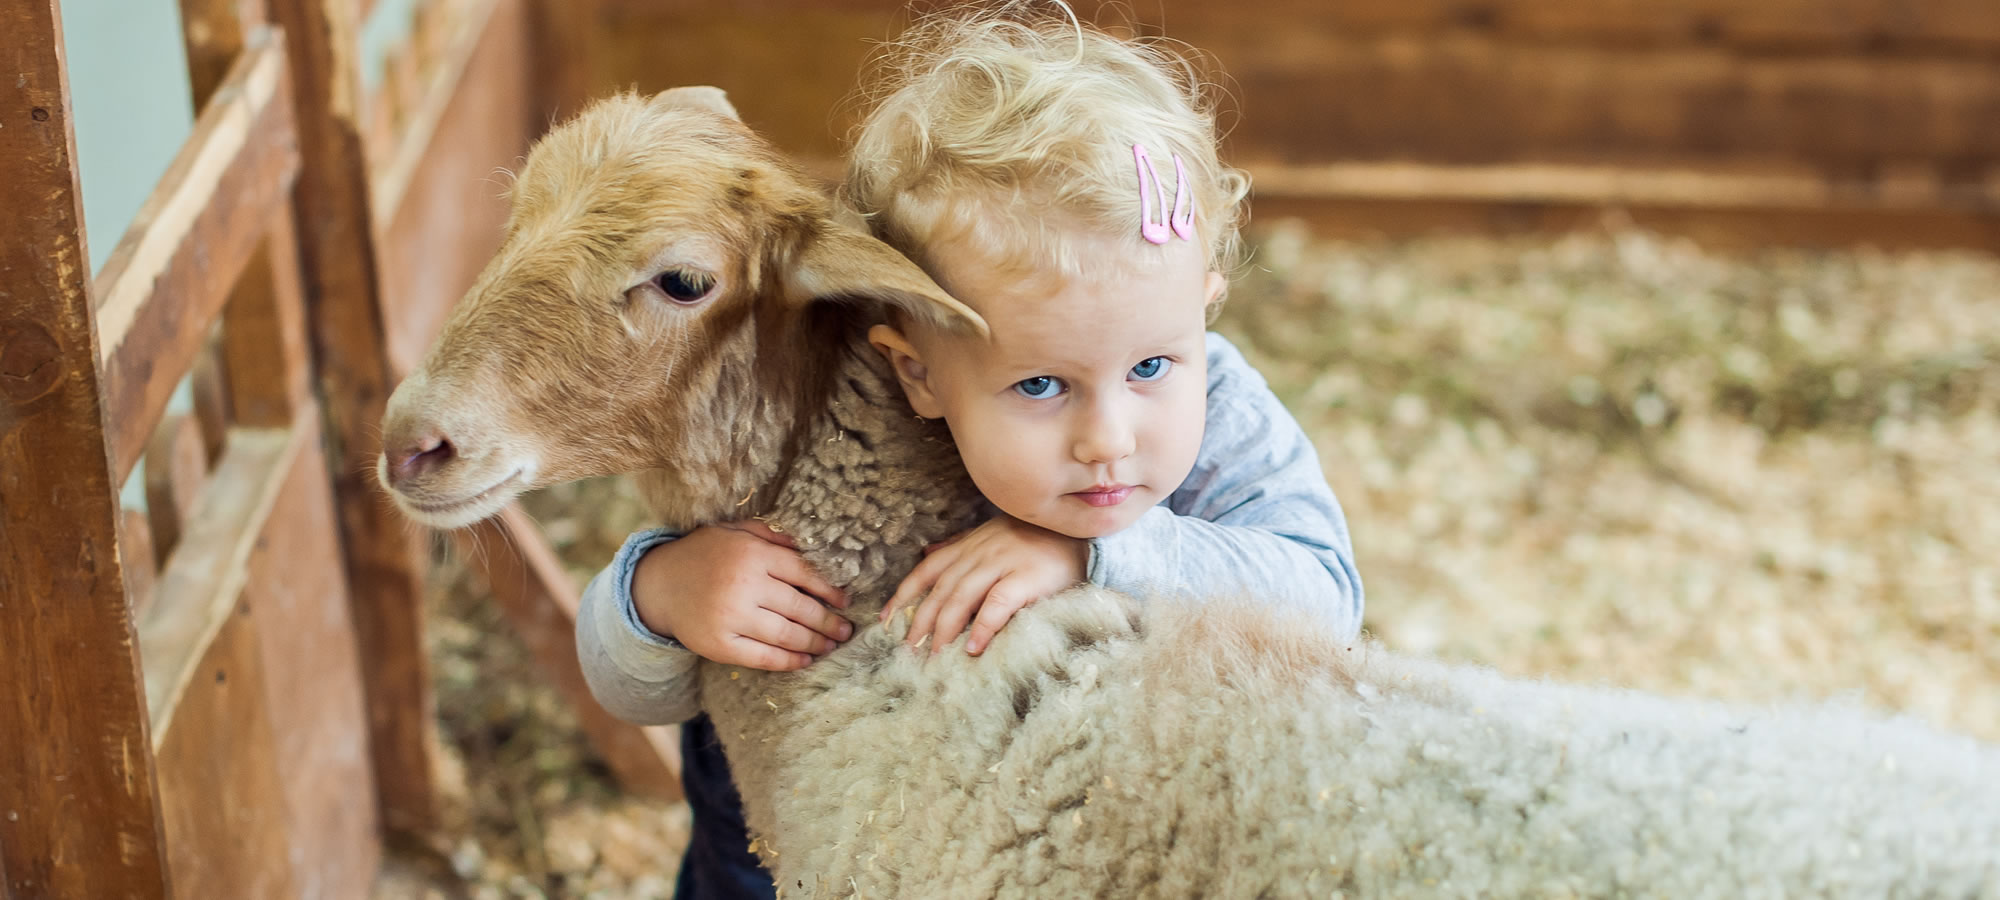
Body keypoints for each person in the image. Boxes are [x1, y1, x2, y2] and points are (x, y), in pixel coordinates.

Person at [577, 6, 1364, 897]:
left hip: (1062, 837)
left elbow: (1325, 600)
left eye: (1151, 364)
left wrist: (1096, 552)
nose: (1108, 439)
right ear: (917, 374)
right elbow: (630, 688)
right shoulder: (828, 438)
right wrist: (660, 592)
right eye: (1040, 386)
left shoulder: (1222, 411)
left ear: (1203, 303)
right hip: (788, 848)